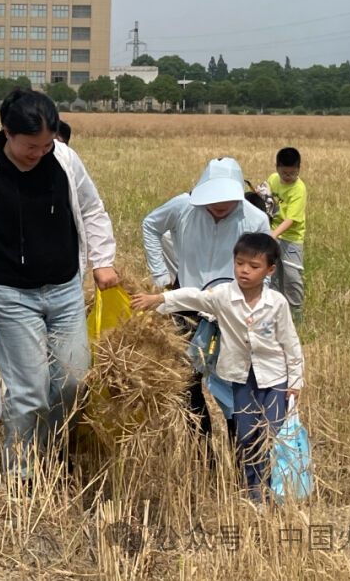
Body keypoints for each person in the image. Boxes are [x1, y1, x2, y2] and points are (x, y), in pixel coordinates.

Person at [0, 88, 118, 480]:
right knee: (29, 392)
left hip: (64, 290)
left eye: (47, 144)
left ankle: (56, 452)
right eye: (32, 145)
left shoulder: (64, 159)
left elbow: (92, 208)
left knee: (73, 382)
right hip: (10, 294)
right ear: (7, 132)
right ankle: (23, 474)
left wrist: (102, 261)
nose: (40, 153)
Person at [131, 233, 304, 504]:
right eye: (239, 263)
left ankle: (274, 490)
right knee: (246, 436)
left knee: (270, 434)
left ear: (270, 270)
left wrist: (295, 380)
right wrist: (158, 300)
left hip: (275, 377)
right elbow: (193, 297)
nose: (245, 270)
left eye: (254, 266)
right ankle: (253, 494)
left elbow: (291, 344)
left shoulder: (277, 304)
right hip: (240, 378)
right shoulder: (223, 296)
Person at [141, 157, 271, 439]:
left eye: (225, 200)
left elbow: (266, 268)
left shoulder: (255, 220)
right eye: (213, 199)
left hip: (233, 315)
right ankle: (203, 457)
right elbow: (150, 226)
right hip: (186, 311)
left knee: (236, 390)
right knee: (188, 385)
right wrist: (161, 277)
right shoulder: (183, 207)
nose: (218, 206)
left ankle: (241, 463)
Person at [267, 147, 306, 323]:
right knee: (272, 274)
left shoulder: (299, 189)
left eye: (292, 173)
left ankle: (296, 310)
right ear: (277, 168)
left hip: (291, 238)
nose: (287, 177)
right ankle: (276, 311)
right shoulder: (273, 179)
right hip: (272, 233)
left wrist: (272, 235)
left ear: (299, 169)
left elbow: (291, 219)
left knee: (291, 276)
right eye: (284, 173)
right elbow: (267, 195)